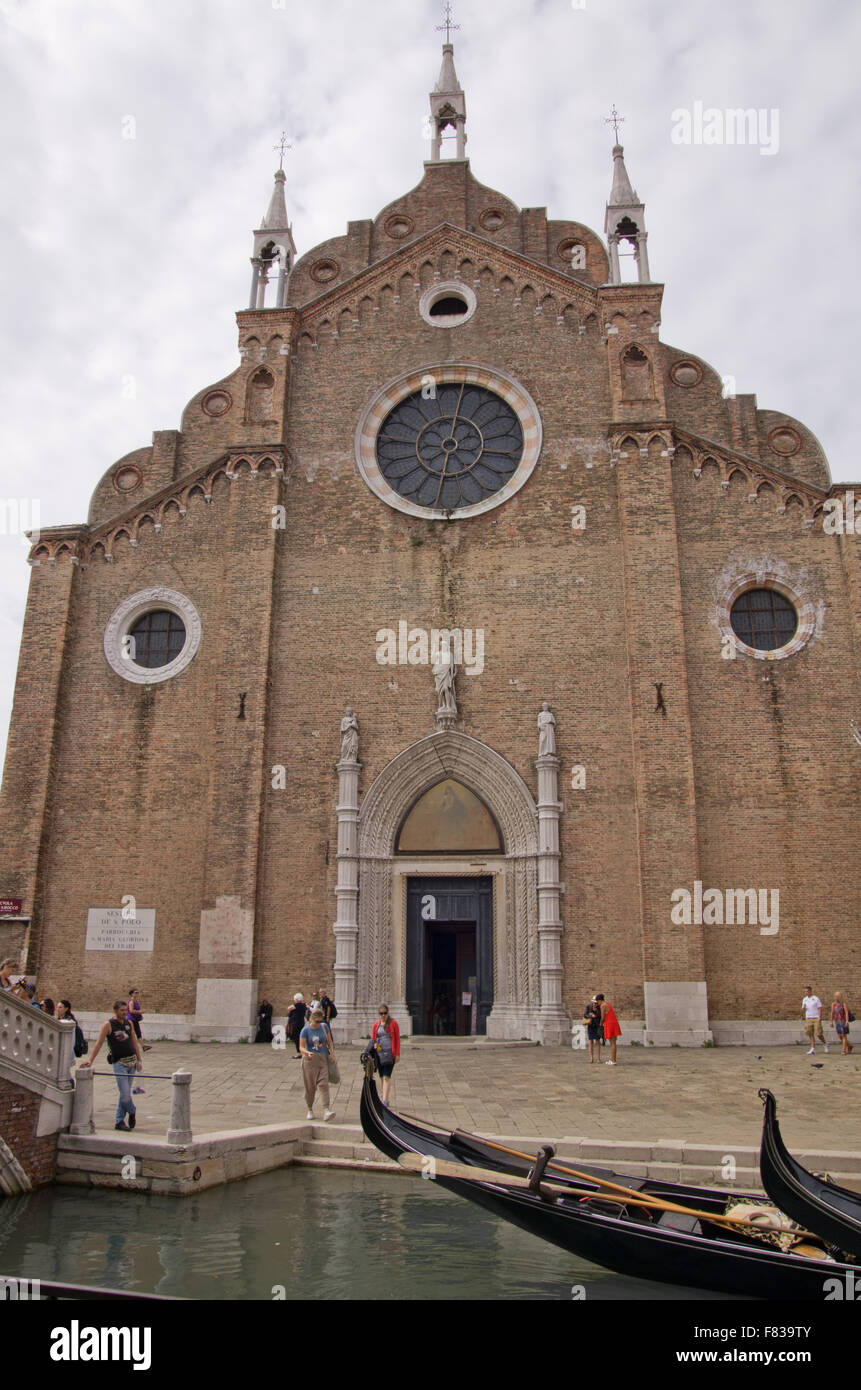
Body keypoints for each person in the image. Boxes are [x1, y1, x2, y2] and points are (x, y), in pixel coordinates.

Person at [79, 999, 143, 1131]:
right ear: (115, 1011)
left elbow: (134, 1042)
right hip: (119, 1062)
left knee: (124, 1093)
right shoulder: (108, 1025)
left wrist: (139, 1059)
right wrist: (91, 1060)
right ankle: (132, 1110)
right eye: (122, 1010)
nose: (125, 1013)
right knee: (125, 1093)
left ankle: (119, 1121)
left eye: (126, 1010)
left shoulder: (129, 1023)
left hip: (132, 1061)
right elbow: (99, 1043)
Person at [299, 1007, 336, 1121]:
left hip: (323, 1059)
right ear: (311, 1019)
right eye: (317, 1021)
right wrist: (307, 1052)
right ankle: (310, 1109)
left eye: (321, 1021)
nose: (319, 1023)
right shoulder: (305, 1030)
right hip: (309, 1061)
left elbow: (329, 1041)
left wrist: (332, 1054)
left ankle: (326, 1111)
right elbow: (301, 1047)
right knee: (310, 1087)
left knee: (324, 1085)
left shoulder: (324, 1027)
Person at [372, 1004, 400, 1104]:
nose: (383, 1015)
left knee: (386, 1076)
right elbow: (374, 1039)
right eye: (381, 1013)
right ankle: (384, 1095)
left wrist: (397, 1054)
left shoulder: (393, 1024)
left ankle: (385, 1100)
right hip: (379, 1054)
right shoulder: (376, 1025)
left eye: (385, 1013)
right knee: (381, 1077)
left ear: (388, 1013)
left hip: (389, 1053)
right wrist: (375, 1045)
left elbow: (397, 1039)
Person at [801, 986, 828, 1054]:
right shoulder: (805, 999)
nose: (806, 993)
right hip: (808, 1017)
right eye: (805, 991)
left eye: (807, 991)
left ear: (810, 991)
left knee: (818, 1033)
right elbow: (803, 1008)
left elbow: (819, 1007)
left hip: (816, 1017)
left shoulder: (816, 998)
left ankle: (825, 1044)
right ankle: (813, 1048)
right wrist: (803, 1008)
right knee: (810, 1033)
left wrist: (819, 1017)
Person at [597, 994, 621, 1065]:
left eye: (597, 1001)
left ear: (599, 1000)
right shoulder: (608, 1004)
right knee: (614, 1043)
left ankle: (613, 1061)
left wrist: (600, 1025)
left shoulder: (602, 1005)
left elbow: (603, 1017)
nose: (597, 1003)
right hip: (614, 1022)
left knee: (612, 1043)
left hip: (609, 1023)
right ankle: (613, 1059)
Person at [831, 991, 853, 1056]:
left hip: (843, 1021)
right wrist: (831, 1021)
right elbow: (832, 1013)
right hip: (837, 1021)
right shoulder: (833, 1004)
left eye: (837, 996)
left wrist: (847, 1021)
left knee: (844, 1035)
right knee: (839, 1036)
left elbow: (846, 1013)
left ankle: (843, 1050)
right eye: (835, 996)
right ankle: (849, 1046)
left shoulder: (843, 1004)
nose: (835, 998)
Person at [582, 995, 603, 1063]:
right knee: (590, 1041)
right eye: (594, 1003)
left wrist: (596, 1015)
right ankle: (591, 1057)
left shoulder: (600, 1008)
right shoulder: (589, 1007)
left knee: (597, 1041)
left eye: (596, 1003)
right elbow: (585, 1014)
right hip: (590, 1025)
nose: (594, 1004)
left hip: (597, 1026)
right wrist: (591, 1015)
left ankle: (598, 1058)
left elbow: (601, 1016)